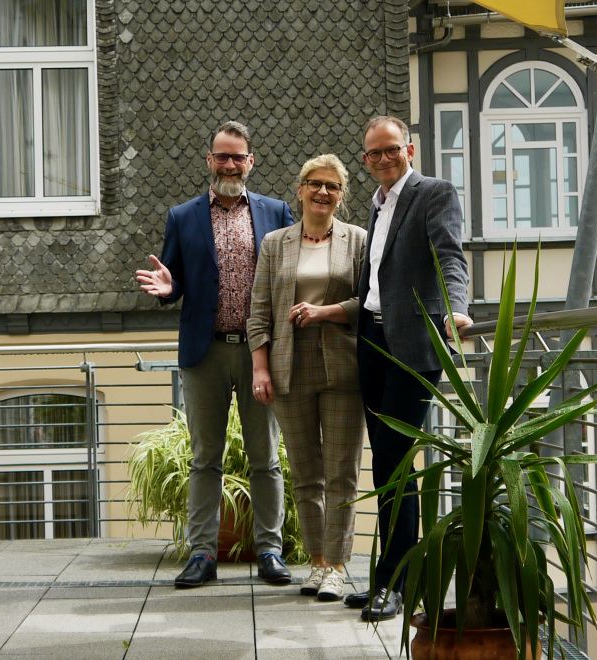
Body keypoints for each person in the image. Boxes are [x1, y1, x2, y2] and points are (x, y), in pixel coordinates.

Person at [135, 120, 295, 588]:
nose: (229, 164)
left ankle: (269, 549)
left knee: (265, 455)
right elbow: (175, 278)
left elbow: (293, 272)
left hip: (258, 352)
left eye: (237, 156)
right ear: (209, 161)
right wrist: (169, 289)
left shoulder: (275, 212)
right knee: (206, 457)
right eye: (221, 156)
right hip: (205, 352)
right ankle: (202, 553)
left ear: (251, 161)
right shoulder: (182, 217)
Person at [346, 116, 473, 621]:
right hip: (372, 339)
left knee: (396, 463)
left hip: (414, 345)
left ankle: (395, 584)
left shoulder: (433, 193)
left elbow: (450, 256)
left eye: (391, 150)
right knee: (384, 461)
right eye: (374, 153)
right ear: (365, 160)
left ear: (411, 149)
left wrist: (456, 306)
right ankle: (391, 577)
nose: (383, 159)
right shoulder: (377, 206)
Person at [247, 154, 367, 602]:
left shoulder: (359, 240)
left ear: (341, 196)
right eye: (315, 184)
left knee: (342, 473)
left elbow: (370, 305)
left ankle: (336, 566)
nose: (322, 192)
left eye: (332, 187)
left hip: (343, 368)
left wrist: (326, 312)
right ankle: (316, 562)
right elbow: (258, 312)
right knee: (304, 474)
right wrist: (260, 368)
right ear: (299, 190)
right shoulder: (275, 244)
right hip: (288, 369)